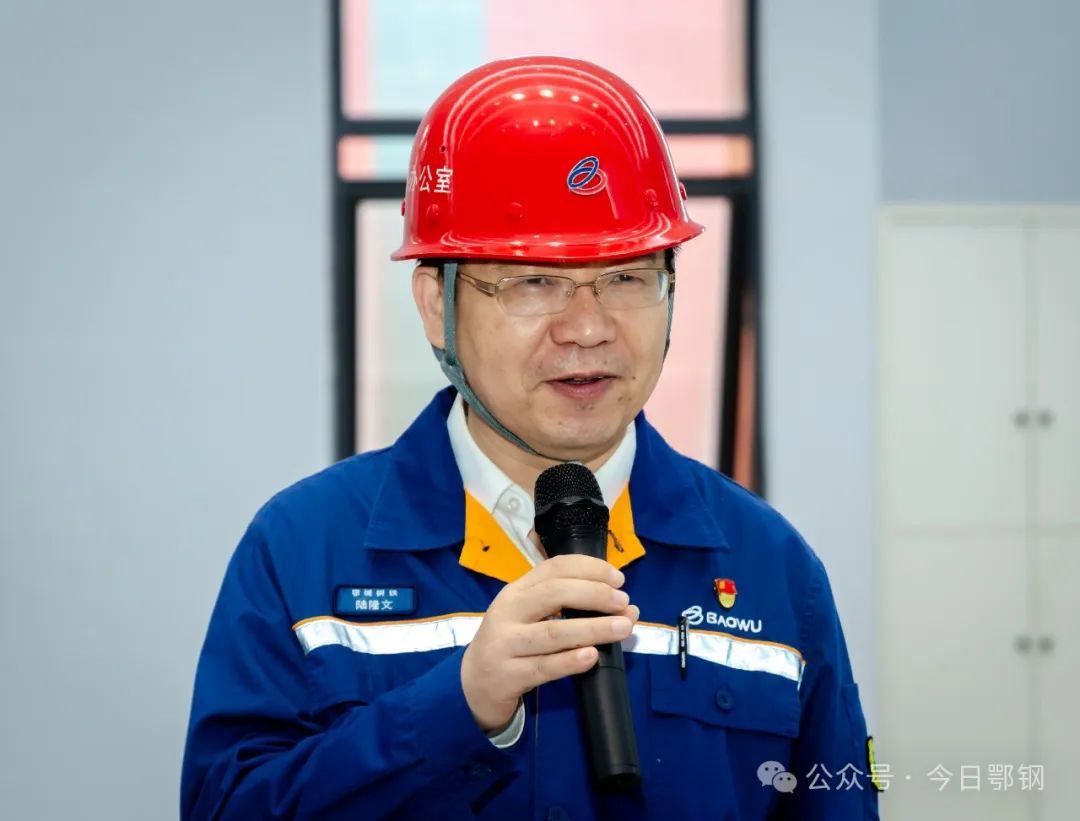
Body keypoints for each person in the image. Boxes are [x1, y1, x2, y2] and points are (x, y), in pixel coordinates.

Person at [181, 55, 880, 820]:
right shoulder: (304, 548)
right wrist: (456, 707)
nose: (588, 328)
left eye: (627, 277)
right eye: (533, 282)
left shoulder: (770, 565)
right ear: (436, 305)